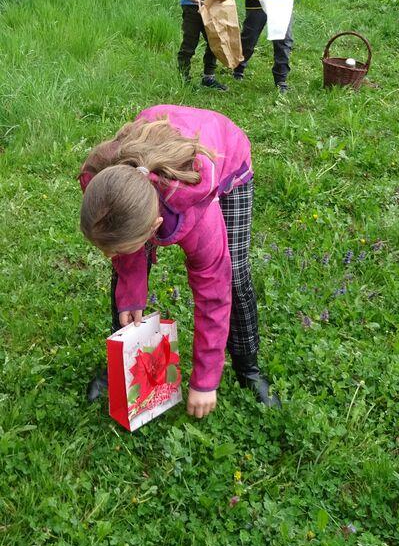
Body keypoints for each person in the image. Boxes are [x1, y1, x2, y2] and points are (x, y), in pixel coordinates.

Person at [79, 104, 280, 417]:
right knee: (122, 257)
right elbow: (124, 241)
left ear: (155, 226)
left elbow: (213, 295)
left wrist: (205, 381)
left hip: (225, 155)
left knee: (234, 273)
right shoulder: (103, 180)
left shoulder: (200, 221)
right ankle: (122, 359)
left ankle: (248, 367)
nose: (108, 257)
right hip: (157, 147)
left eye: (114, 251)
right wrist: (130, 295)